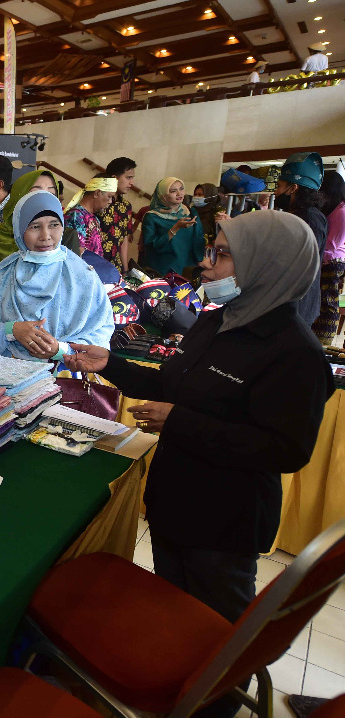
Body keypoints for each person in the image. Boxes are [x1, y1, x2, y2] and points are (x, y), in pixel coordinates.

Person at [64, 211, 332, 634]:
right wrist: (110, 364)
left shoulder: (295, 353)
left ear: (266, 265)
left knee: (214, 637)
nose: (205, 264)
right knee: (171, 622)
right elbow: (173, 383)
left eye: (221, 254)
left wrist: (181, 422)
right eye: (211, 251)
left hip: (223, 523)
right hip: (174, 501)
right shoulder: (216, 319)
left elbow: (285, 450)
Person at [0, 191, 113, 361]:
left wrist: (61, 350)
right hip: (7, 372)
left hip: (66, 372)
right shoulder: (0, 278)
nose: (45, 236)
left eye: (54, 225)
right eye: (35, 226)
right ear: (19, 230)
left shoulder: (84, 278)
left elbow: (101, 332)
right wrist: (11, 330)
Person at [0, 168, 65, 304]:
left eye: (51, 193)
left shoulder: (60, 239)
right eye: (35, 192)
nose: (43, 198)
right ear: (18, 196)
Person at [276, 151, 327, 327]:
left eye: (280, 186)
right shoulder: (296, 215)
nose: (276, 192)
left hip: (298, 304)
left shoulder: (311, 217)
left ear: (293, 188)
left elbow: (303, 262)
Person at [140, 177, 204, 277]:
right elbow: (151, 247)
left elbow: (198, 237)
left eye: (181, 189)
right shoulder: (152, 217)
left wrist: (200, 261)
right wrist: (175, 228)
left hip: (187, 267)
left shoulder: (190, 212)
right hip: (163, 268)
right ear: (163, 195)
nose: (179, 193)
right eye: (173, 191)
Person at [315, 170, 345, 342]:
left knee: (328, 302)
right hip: (326, 260)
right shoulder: (333, 208)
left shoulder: (342, 211)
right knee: (322, 300)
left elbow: (333, 243)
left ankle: (324, 340)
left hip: (332, 262)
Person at [96, 157, 137, 271]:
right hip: (94, 265)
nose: (131, 183)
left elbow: (123, 239)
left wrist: (125, 269)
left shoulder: (126, 206)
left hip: (115, 268)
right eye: (128, 178)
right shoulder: (98, 201)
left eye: (132, 178)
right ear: (114, 178)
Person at [64, 173, 116, 255]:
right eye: (109, 196)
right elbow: (78, 253)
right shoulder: (76, 215)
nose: (110, 201)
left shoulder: (95, 219)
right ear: (97, 193)